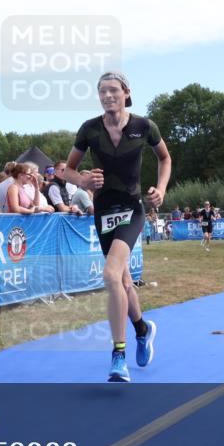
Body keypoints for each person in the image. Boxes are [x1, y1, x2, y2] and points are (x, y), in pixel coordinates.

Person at [64, 71, 171, 382]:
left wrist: (161, 189)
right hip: (103, 212)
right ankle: (142, 328)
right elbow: (68, 170)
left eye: (113, 90)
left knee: (110, 274)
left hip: (132, 209)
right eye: (102, 91)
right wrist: (82, 180)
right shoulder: (89, 130)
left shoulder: (143, 126)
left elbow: (165, 159)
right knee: (121, 282)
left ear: (126, 93)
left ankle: (118, 355)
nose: (108, 95)